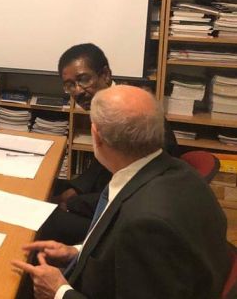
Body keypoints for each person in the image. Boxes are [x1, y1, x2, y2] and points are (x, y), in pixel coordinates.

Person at [12, 85, 229, 299]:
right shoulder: (180, 172)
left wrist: (59, 291)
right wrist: (78, 252)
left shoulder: (145, 224)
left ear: (96, 136)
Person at [41, 43, 179, 244]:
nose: (77, 91)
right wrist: (76, 190)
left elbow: (130, 190)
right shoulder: (107, 104)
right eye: (70, 85)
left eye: (83, 80)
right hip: (111, 192)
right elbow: (102, 164)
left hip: (128, 215)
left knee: (44, 220)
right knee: (48, 186)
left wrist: (73, 203)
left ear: (105, 75)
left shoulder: (128, 113)